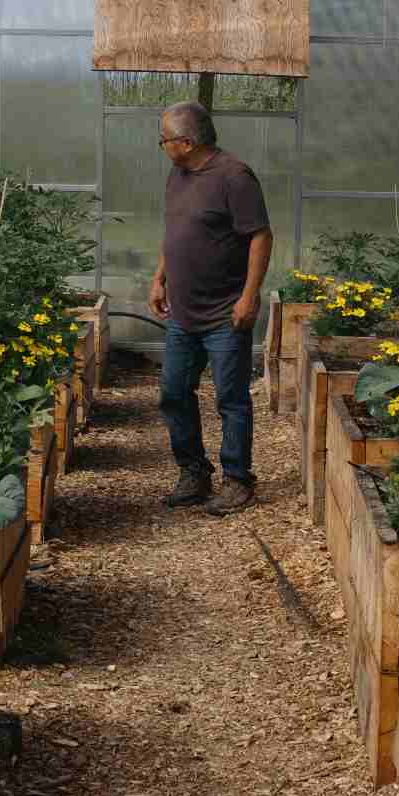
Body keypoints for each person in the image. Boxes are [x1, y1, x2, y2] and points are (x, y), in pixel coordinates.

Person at [149, 99, 272, 514]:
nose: (161, 146)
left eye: (163, 140)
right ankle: (193, 473)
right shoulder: (177, 174)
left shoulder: (234, 177)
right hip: (183, 312)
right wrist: (160, 276)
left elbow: (260, 236)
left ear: (186, 142)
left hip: (224, 312)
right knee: (173, 392)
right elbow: (176, 230)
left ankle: (237, 480)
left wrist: (248, 296)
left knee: (230, 398)